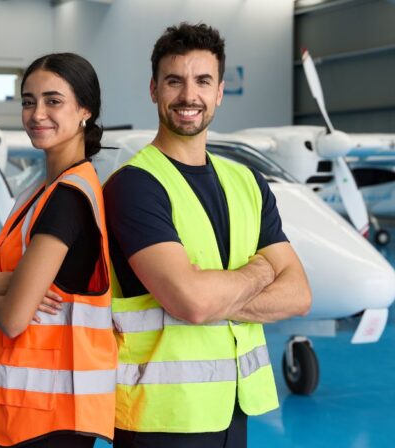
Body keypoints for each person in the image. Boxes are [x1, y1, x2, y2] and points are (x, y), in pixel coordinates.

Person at [103, 23, 312, 448]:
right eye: (174, 81)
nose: (188, 96)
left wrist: (214, 293)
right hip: (160, 419)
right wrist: (260, 270)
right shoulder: (135, 186)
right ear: (154, 89)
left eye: (203, 81)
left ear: (218, 92)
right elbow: (193, 303)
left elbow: (299, 295)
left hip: (234, 409)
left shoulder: (247, 182)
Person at [0, 53, 117, 448]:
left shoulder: (68, 198)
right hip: (25, 414)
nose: (36, 114)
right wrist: (5, 282)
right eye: (28, 101)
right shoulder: (36, 194)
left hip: (50, 422)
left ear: (86, 109)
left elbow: (13, 318)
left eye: (53, 101)